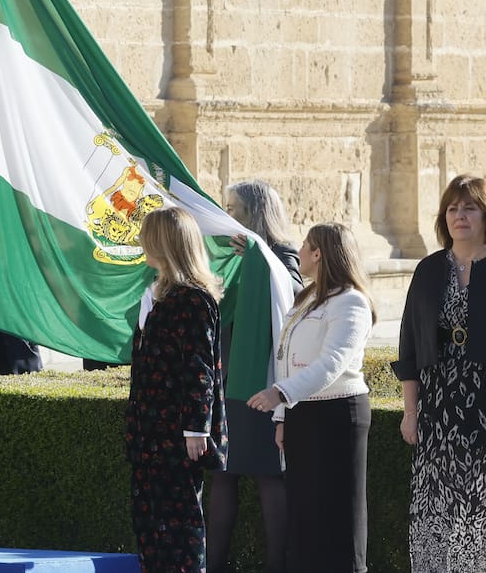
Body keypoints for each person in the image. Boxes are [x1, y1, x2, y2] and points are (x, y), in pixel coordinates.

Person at [247, 222, 375, 573]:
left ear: (317, 253)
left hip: (339, 414)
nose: (299, 251)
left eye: (305, 245)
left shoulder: (351, 301)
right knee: (304, 511)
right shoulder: (307, 298)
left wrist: (280, 394)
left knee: (340, 511)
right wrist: (282, 417)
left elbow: (332, 362)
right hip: (301, 412)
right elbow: (286, 359)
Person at [392, 174, 486, 570]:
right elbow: (409, 346)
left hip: (482, 404)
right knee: (437, 511)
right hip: (438, 408)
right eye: (452, 208)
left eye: (470, 208)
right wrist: (410, 412)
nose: (459, 215)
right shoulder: (428, 270)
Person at [125, 205, 226, 572]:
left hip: (175, 434)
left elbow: (200, 367)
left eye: (147, 236)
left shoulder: (193, 300)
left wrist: (196, 428)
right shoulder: (158, 296)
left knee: (180, 528)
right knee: (150, 527)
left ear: (163, 243)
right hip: (149, 431)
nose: (141, 242)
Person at [208, 179, 301, 573]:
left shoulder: (280, 252)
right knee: (222, 475)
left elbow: (293, 294)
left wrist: (257, 256)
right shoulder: (230, 254)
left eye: (233, 209)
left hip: (263, 384)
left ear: (255, 213)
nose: (227, 215)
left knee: (268, 476)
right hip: (228, 382)